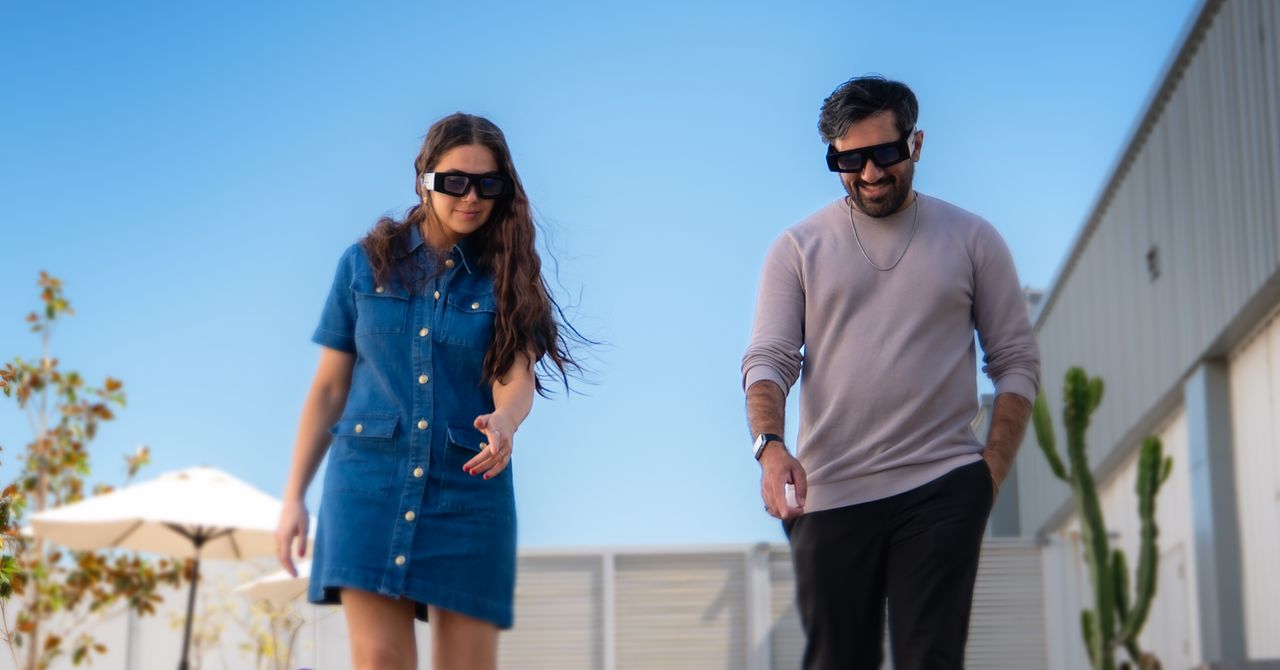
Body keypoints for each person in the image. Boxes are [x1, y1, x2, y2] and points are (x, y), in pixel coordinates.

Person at [740, 76, 1041, 669]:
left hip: (942, 485)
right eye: (849, 161)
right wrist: (770, 449)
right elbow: (768, 359)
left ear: (916, 144)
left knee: (930, 658)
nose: (871, 173)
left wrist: (989, 474)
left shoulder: (973, 239)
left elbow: (1014, 360)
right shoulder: (796, 248)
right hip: (829, 494)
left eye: (885, 153)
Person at [275, 113, 581, 670]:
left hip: (469, 493)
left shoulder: (507, 278)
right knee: (381, 661)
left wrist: (506, 420)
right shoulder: (363, 265)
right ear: (424, 179)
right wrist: (294, 494)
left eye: (488, 184)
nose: (471, 197)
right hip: (367, 489)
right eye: (454, 182)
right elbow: (329, 387)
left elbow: (514, 377)